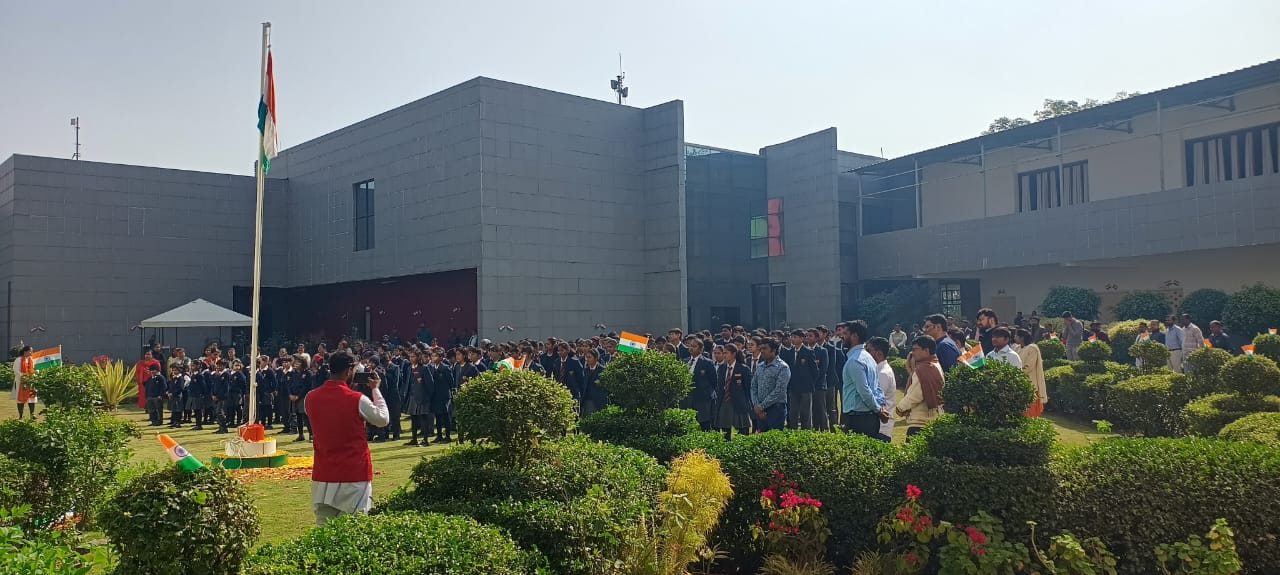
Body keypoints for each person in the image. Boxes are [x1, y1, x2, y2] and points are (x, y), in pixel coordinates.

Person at [306, 350, 389, 526]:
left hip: (323, 474)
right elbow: (383, 419)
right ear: (348, 371)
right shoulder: (357, 399)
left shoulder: (310, 397)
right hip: (353, 473)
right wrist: (375, 390)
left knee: (323, 530)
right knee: (354, 527)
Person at [839, 321, 890, 439]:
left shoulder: (855, 360)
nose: (841, 336)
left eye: (845, 333)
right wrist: (880, 407)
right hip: (869, 417)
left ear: (854, 336)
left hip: (858, 418)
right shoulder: (869, 358)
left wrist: (878, 410)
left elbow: (864, 390)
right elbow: (877, 387)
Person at [896, 336, 943, 439]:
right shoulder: (936, 364)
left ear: (926, 350)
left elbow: (915, 395)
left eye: (915, 349)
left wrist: (900, 408)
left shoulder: (924, 369)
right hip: (933, 418)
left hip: (920, 422)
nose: (912, 353)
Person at [781, 330, 818, 430]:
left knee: (805, 412)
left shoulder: (808, 352)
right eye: (792, 337)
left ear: (802, 339)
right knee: (793, 412)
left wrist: (810, 383)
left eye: (795, 337)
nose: (792, 339)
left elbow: (815, 371)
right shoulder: (789, 352)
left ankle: (806, 431)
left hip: (806, 387)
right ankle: (793, 431)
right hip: (793, 387)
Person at [750, 339, 789, 433]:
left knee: (774, 438)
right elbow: (753, 386)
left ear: (774, 350)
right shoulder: (760, 366)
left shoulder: (783, 367)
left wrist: (761, 407)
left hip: (775, 409)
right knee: (761, 438)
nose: (762, 351)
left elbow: (779, 391)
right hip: (760, 409)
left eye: (765, 348)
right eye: (761, 348)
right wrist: (756, 405)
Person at [716, 344, 754, 439]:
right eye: (723, 353)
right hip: (725, 401)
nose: (724, 355)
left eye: (726, 353)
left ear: (733, 354)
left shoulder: (743, 369)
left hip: (739, 402)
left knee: (742, 430)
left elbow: (748, 388)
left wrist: (748, 404)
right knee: (725, 430)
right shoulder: (722, 368)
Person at [866, 337, 897, 442]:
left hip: (881, 428)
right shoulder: (878, 370)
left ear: (879, 353)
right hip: (878, 426)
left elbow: (875, 400)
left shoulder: (882, 373)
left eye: (869, 350)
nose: (866, 354)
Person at [684, 338, 718, 431]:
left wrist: (706, 391)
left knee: (704, 424)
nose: (691, 348)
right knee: (689, 424)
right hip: (688, 398)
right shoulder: (685, 361)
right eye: (690, 346)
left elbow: (713, 381)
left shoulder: (707, 362)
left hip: (702, 398)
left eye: (694, 346)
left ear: (701, 349)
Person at [1015, 329, 1047, 417]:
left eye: (1016, 336)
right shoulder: (1016, 348)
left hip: (1030, 382)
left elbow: (1029, 366)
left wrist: (1016, 373)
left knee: (1029, 410)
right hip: (1017, 382)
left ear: (1022, 337)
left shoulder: (1032, 348)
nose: (1015, 338)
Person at [11, 346, 36, 419]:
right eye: (30, 351)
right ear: (25, 352)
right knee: (20, 400)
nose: (31, 352)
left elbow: (33, 369)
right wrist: (23, 376)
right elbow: (16, 370)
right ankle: (20, 416)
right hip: (20, 382)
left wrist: (33, 376)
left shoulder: (31, 359)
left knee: (31, 398)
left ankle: (32, 414)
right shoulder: (18, 360)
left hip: (30, 382)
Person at [580, 349, 607, 418]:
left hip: (598, 400)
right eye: (586, 357)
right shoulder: (586, 370)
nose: (587, 359)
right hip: (587, 400)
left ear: (596, 358)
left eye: (589, 357)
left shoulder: (603, 370)